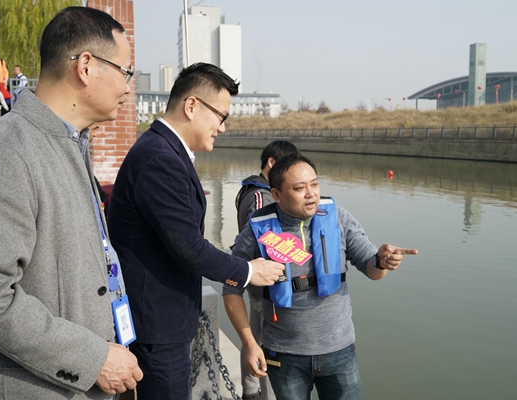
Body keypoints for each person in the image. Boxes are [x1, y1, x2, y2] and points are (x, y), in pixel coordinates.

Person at [0, 6, 143, 399]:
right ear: (86, 66)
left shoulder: (71, 143)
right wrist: (92, 358)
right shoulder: (3, 151)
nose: (128, 86)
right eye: (125, 72)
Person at [107, 62, 285, 399]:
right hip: (158, 326)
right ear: (192, 106)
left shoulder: (165, 151)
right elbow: (188, 247)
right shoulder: (160, 158)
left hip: (164, 319)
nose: (222, 127)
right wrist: (248, 271)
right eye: (221, 116)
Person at [223, 153, 418, 400]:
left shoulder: (337, 218)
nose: (311, 194)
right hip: (284, 355)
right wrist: (249, 343)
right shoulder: (257, 229)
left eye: (314, 184)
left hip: (339, 351)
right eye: (299, 188)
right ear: (276, 194)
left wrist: (381, 261)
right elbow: (231, 287)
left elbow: (371, 269)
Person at [232, 140, 299, 400]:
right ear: (272, 163)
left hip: (256, 280)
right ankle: (260, 394)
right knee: (268, 347)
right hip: (264, 283)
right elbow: (266, 242)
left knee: (255, 338)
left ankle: (250, 392)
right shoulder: (262, 196)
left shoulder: (249, 189)